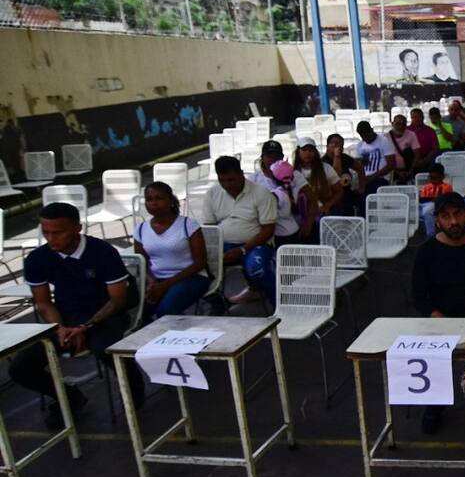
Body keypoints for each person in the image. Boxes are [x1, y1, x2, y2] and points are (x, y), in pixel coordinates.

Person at [11, 203, 144, 428]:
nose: (51, 238)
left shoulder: (102, 252)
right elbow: (43, 302)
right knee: (19, 368)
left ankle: (135, 393)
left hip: (106, 316)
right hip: (66, 319)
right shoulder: (37, 258)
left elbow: (118, 300)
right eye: (46, 232)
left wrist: (86, 326)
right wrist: (60, 328)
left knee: (106, 349)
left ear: (77, 228)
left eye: (58, 232)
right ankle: (69, 397)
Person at [411, 192, 465, 434]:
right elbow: (418, 295)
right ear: (437, 220)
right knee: (434, 357)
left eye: (457, 214)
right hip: (440, 321)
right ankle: (434, 405)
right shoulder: (426, 251)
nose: (453, 221)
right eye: (446, 216)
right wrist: (436, 316)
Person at [200, 156, 278, 308]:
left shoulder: (261, 193)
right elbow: (210, 227)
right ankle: (218, 304)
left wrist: (242, 249)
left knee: (257, 269)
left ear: (241, 174)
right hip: (223, 245)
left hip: (256, 244)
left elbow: (268, 230)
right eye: (222, 180)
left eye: (231, 180)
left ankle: (278, 304)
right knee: (197, 269)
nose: (227, 185)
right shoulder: (212, 194)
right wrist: (215, 251)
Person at [134, 182, 210, 320]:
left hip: (191, 278)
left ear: (170, 200)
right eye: (149, 199)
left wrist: (166, 285)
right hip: (157, 281)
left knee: (167, 310)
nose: (154, 203)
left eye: (159, 198)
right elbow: (142, 262)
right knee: (139, 315)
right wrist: (152, 282)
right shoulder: (141, 229)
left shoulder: (188, 225)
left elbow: (200, 262)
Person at [254, 141, 313, 243]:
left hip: (291, 229)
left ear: (282, 157)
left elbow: (312, 199)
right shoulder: (254, 179)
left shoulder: (295, 175)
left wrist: (309, 223)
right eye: (269, 156)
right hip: (263, 231)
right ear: (262, 158)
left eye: (276, 156)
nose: (272, 160)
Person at [294, 136, 346, 218]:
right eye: (304, 150)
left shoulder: (326, 168)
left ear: (315, 152)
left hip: (324, 213)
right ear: (298, 151)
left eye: (311, 150)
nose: (307, 153)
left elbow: (339, 192)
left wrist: (328, 205)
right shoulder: (293, 172)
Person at [322, 133, 363, 216]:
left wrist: (361, 187)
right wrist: (336, 157)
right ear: (327, 146)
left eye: (340, 144)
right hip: (332, 196)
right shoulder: (323, 162)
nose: (338, 146)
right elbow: (336, 176)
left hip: (347, 193)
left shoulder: (345, 158)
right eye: (334, 143)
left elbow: (360, 168)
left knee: (363, 199)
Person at [353, 120, 396, 198]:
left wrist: (372, 176)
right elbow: (357, 165)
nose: (366, 139)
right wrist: (361, 162)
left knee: (369, 189)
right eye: (363, 137)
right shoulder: (360, 144)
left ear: (371, 130)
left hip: (381, 177)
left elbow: (391, 165)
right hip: (364, 177)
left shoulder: (384, 141)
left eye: (367, 136)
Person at [419, 162, 455, 236]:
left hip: (438, 206)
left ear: (442, 177)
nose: (433, 180)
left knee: (427, 211)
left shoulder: (447, 187)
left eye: (436, 178)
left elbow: (448, 199)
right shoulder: (426, 187)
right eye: (432, 178)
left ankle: (430, 234)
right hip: (424, 205)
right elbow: (422, 199)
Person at [387, 114, 421, 184]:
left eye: (403, 124)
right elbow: (385, 159)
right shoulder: (385, 137)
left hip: (408, 170)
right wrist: (397, 172)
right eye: (398, 124)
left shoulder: (411, 134)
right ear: (392, 124)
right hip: (391, 171)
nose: (400, 127)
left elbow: (417, 154)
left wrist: (410, 171)